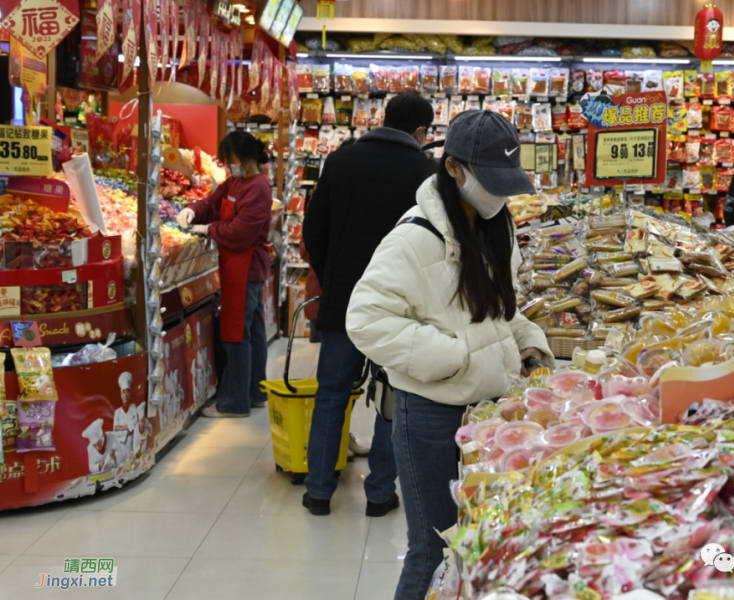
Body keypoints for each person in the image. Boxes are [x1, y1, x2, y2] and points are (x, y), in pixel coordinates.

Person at [346, 110, 555, 600]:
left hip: (484, 410)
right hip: (430, 417)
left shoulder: (489, 226)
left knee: (468, 548)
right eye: (492, 181)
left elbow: (500, 312)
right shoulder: (415, 237)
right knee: (433, 551)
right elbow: (365, 319)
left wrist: (529, 343)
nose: (500, 195)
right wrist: (456, 356)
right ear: (454, 168)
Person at [302, 92, 437, 517]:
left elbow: (313, 229)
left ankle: (319, 491)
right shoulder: (425, 173)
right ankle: (379, 494)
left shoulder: (340, 161)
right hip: (398, 309)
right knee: (393, 398)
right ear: (420, 132)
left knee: (331, 395)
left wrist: (333, 277)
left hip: (344, 300)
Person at [177, 131, 274, 418]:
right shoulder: (235, 182)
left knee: (236, 333)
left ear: (247, 158)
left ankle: (233, 402)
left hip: (245, 267)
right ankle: (254, 392)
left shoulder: (258, 188)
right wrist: (192, 211)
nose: (229, 166)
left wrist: (209, 229)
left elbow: (242, 233)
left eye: (231, 161)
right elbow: (211, 203)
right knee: (253, 331)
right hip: (236, 265)